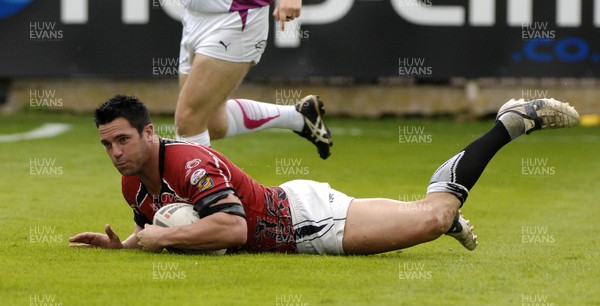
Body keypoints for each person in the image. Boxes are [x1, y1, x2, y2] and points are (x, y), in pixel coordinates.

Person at [69, 95, 579, 254]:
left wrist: (156, 242)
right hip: (294, 210)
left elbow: (231, 228)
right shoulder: (132, 180)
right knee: (430, 216)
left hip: (307, 223)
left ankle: (509, 124)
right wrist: (129, 245)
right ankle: (445, 215)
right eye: (107, 144)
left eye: (122, 140)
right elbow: (167, 222)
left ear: (149, 132)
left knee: (433, 215)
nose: (115, 152)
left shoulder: (189, 162)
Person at [133, 0, 332, 159]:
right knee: (212, 123)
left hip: (237, 18)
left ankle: (205, 192)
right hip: (193, 17)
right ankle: (299, 117)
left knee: (189, 119)